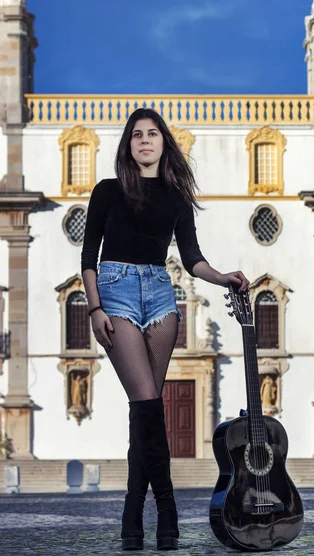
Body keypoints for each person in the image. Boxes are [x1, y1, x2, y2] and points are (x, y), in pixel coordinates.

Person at [81, 108, 250, 551]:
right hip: (115, 293)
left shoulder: (176, 198)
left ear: (163, 143)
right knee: (147, 402)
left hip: (161, 295)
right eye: (136, 135)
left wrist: (223, 276)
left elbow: (191, 258)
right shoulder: (107, 192)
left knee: (148, 412)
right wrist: (95, 309)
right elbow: (87, 258)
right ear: (128, 145)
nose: (144, 141)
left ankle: (136, 518)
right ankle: (165, 510)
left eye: (152, 134)